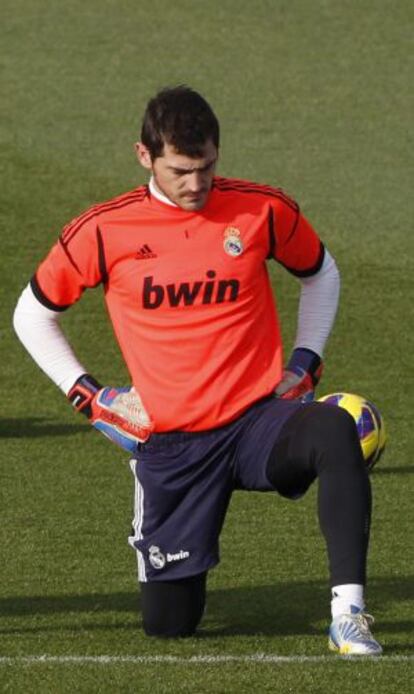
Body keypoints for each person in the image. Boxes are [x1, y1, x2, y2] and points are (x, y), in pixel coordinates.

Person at [13, 85, 382, 655]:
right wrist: (89, 397)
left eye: (206, 166)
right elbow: (31, 315)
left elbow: (321, 272)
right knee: (170, 623)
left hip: (256, 421)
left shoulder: (261, 208)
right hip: (172, 444)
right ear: (145, 157)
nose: (196, 184)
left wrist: (305, 364)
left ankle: (349, 615)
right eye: (181, 170)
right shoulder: (104, 230)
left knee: (334, 430)